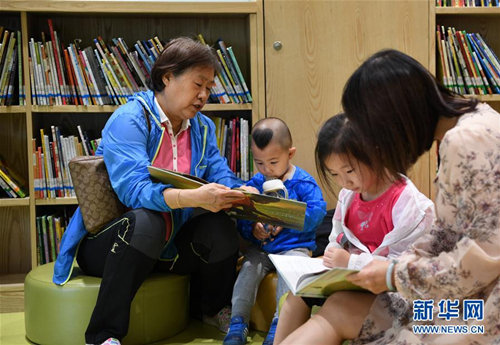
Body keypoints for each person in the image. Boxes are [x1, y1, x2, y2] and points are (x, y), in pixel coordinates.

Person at [278, 49, 500, 345]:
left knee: (346, 312)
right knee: (339, 306)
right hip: (462, 297)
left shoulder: (465, 140)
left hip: (477, 316)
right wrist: (396, 267)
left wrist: (395, 275)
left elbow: (480, 262)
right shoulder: (472, 121)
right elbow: (449, 234)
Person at [53, 37, 253, 345]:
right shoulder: (129, 119)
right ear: (167, 76)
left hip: (169, 245)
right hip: (111, 243)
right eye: (198, 84)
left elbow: (221, 175)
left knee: (219, 226)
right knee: (147, 219)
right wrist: (194, 197)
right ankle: (103, 335)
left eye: (209, 88)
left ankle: (211, 309)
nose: (203, 96)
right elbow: (134, 191)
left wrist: (245, 198)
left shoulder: (202, 127)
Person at [274, 113, 435, 344]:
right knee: (298, 294)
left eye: (349, 171)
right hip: (358, 282)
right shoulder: (348, 196)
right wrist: (332, 257)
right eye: (335, 174)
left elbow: (407, 272)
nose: (344, 182)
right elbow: (336, 237)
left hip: (400, 298)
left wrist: (350, 263)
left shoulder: (413, 207)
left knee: (337, 307)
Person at [223, 118, 327, 345]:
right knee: (247, 272)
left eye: (273, 162)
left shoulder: (302, 183)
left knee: (288, 278)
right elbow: (243, 215)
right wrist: (252, 228)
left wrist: (288, 218)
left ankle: (281, 325)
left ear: (290, 154)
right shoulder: (257, 182)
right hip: (262, 249)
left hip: (294, 248)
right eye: (259, 163)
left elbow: (317, 212)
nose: (266, 170)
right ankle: (238, 322)